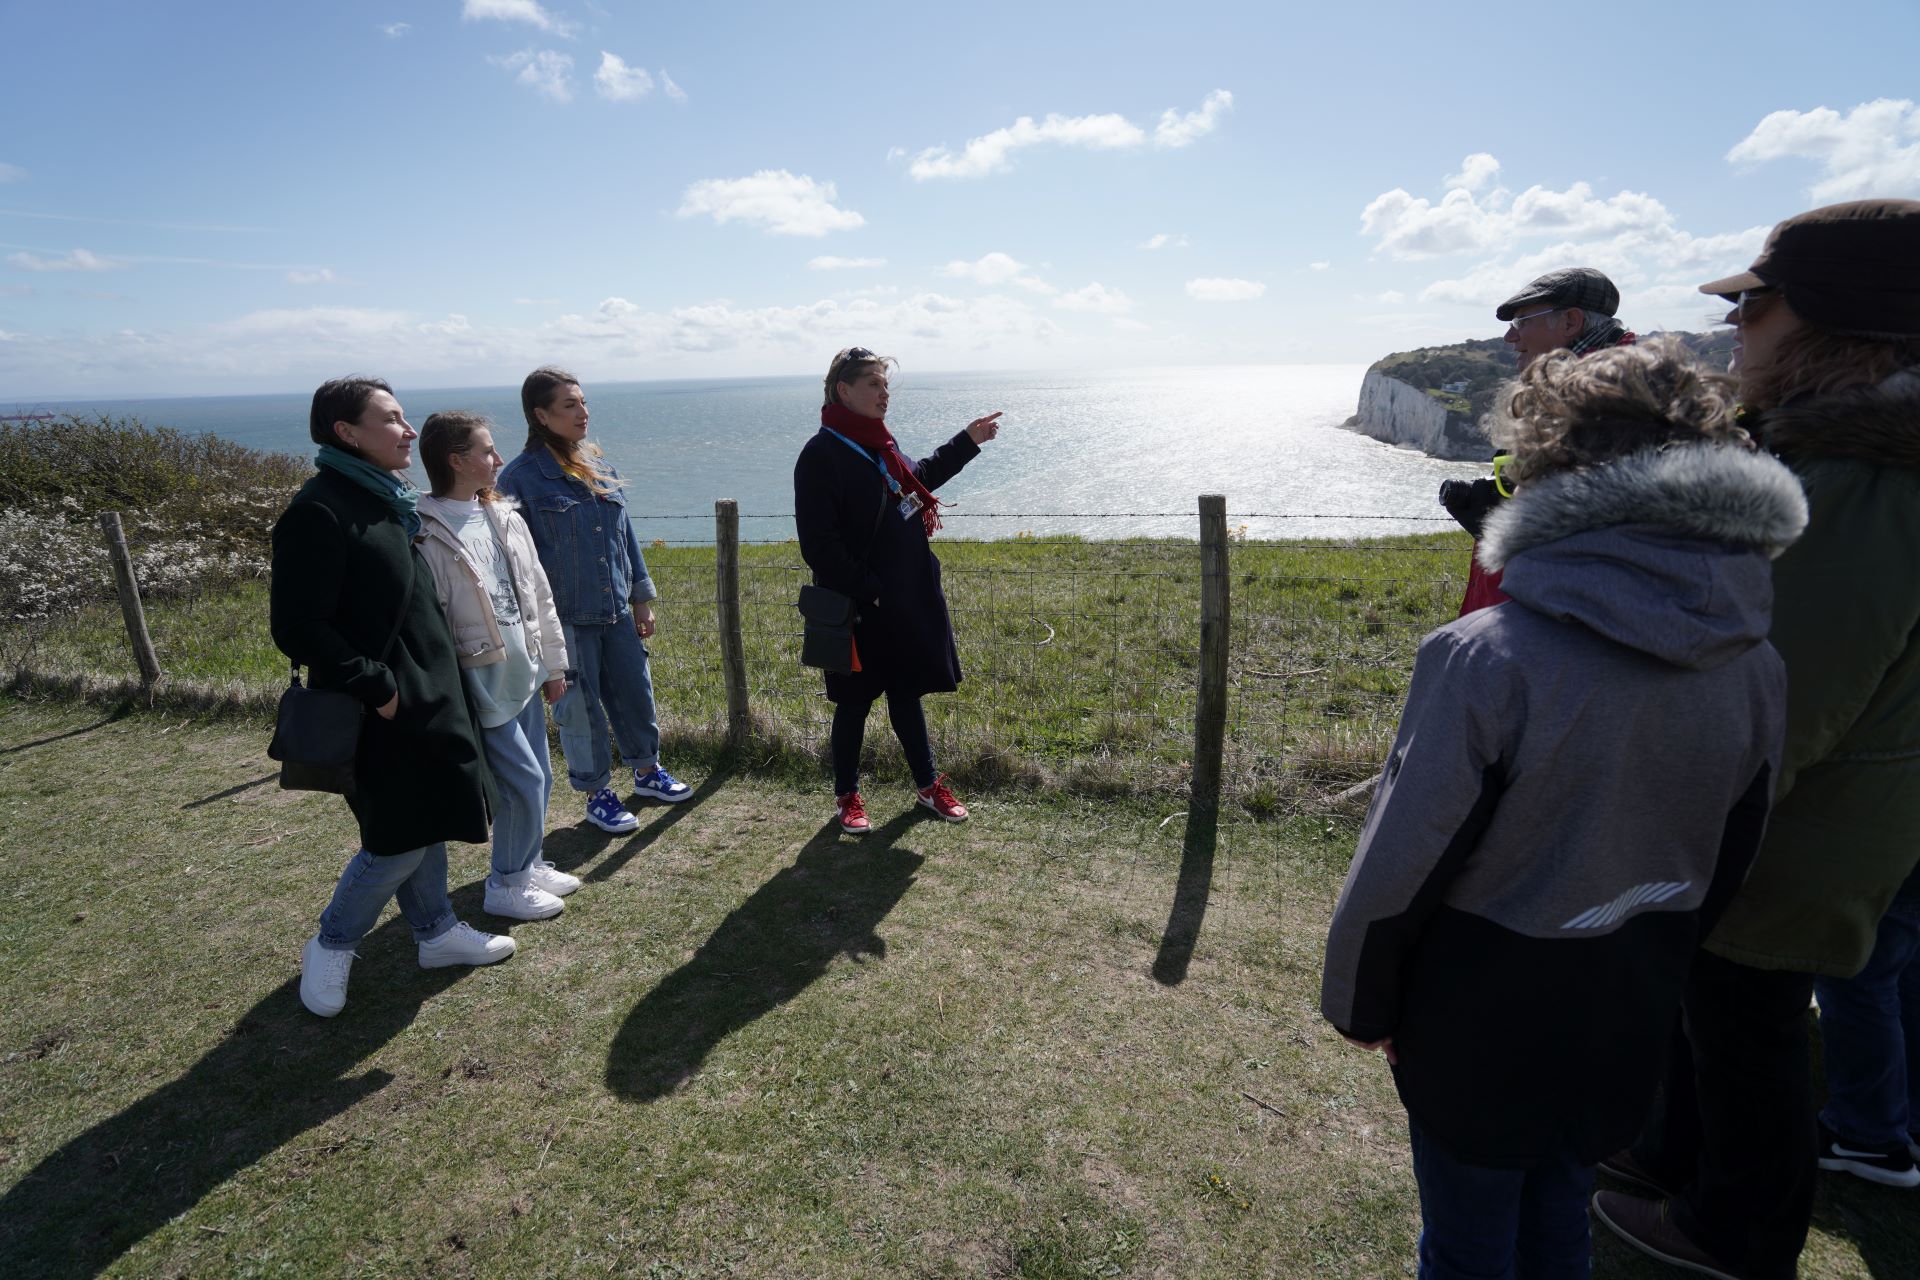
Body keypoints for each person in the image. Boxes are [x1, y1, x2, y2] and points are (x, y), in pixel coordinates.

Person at [1320, 337, 1806, 1279]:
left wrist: (1359, 1002)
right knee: (1560, 1217)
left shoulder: (1485, 654)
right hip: (1635, 983)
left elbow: (1402, 862)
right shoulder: (1759, 660)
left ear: (1545, 471)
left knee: (1467, 1243)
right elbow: (1735, 847)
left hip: (1482, 1001)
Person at [1595, 198, 1920, 1280]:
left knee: (1751, 1027)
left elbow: (1786, 702)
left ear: (1832, 324)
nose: (1738, 326)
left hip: (1790, 833)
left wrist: (1666, 810)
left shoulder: (1859, 484)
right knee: (1717, 1011)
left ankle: (1734, 1232)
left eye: (1757, 303)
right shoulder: (1847, 461)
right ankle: (1668, 1161)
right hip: (1798, 820)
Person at [272, 377, 515, 1019]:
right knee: (397, 834)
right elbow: (297, 626)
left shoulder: (385, 500)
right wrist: (376, 688)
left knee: (426, 813)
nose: (410, 431)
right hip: (379, 706)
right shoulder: (319, 509)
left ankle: (435, 933)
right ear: (347, 433)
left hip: (429, 693)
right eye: (393, 419)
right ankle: (332, 942)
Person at [793, 347, 1003, 834]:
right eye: (873, 383)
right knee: (854, 704)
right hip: (861, 607)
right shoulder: (822, 454)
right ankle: (847, 796)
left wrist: (967, 442)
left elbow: (918, 480)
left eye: (886, 384)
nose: (884, 393)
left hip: (903, 600)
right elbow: (819, 546)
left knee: (907, 695)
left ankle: (928, 786)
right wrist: (873, 591)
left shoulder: (880, 445)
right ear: (843, 391)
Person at [497, 367, 692, 837]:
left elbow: (626, 536)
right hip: (565, 621)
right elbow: (513, 564)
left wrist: (641, 597)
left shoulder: (598, 466)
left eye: (583, 402)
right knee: (579, 713)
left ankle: (647, 773)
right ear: (541, 415)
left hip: (616, 612)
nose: (583, 412)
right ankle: (596, 793)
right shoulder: (520, 480)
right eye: (569, 405)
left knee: (635, 694)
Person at [415, 410, 581, 922]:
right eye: (487, 451)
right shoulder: (424, 530)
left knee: (541, 779)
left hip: (524, 673)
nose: (498, 460)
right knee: (523, 783)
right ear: (456, 460)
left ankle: (526, 863)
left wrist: (554, 666)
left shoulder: (505, 516)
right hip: (480, 682)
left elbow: (540, 594)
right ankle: (505, 883)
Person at [1445, 267, 1637, 615]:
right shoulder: (1572, 397)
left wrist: (1513, 525)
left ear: (1570, 322)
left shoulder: (1606, 407)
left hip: (1547, 633)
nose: (1509, 337)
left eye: (1521, 322)